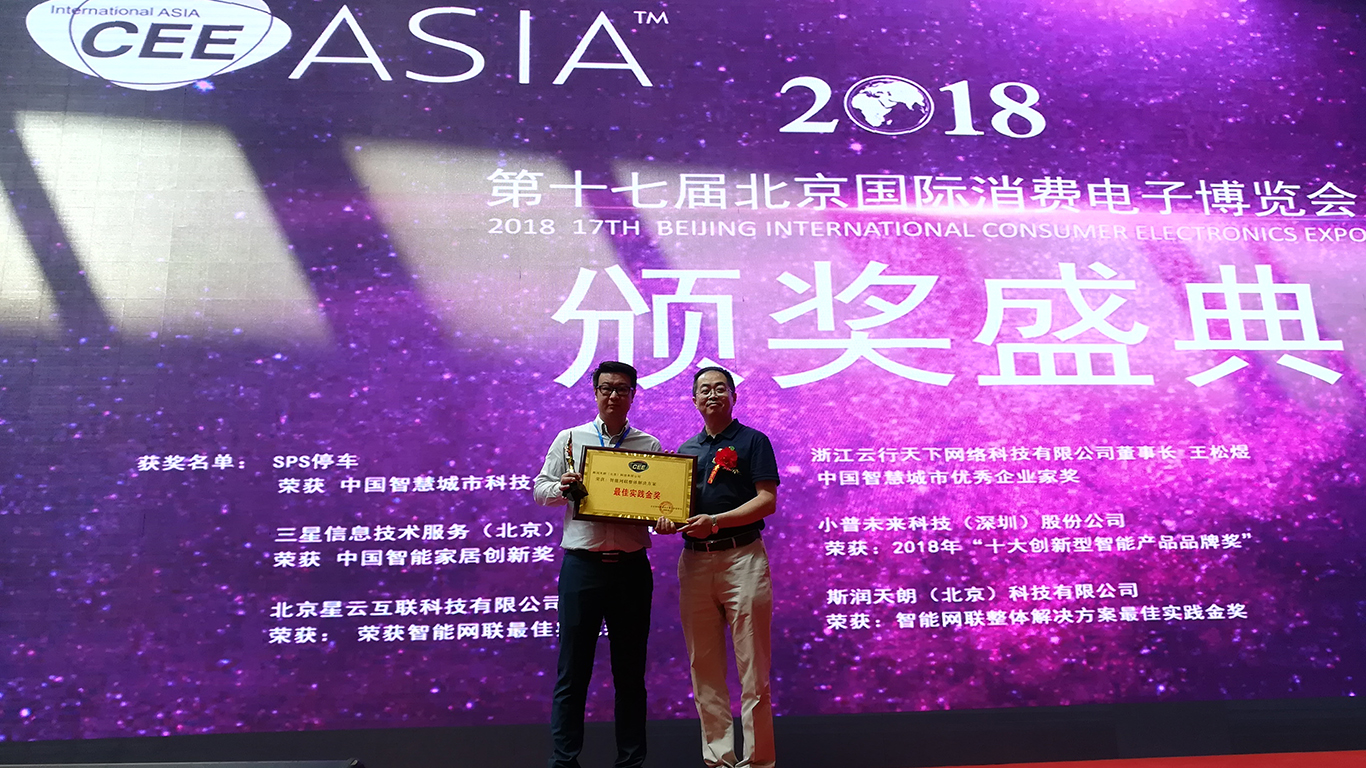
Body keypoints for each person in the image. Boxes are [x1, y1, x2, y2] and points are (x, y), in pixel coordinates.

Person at [534, 361, 662, 768]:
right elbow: (540, 490)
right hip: (582, 567)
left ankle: (631, 762)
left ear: (633, 395)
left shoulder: (649, 445)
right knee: (572, 672)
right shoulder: (570, 439)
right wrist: (562, 488)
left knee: (630, 674)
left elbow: (660, 503)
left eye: (622, 389)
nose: (613, 395)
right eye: (606, 388)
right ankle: (564, 761)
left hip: (630, 569)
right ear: (594, 392)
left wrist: (665, 517)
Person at [656, 366, 780, 768]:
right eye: (704, 390)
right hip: (694, 562)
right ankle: (719, 761)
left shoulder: (753, 441)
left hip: (743, 558)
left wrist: (717, 521)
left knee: (753, 669)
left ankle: (758, 762)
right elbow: (677, 510)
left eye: (720, 388)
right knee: (704, 668)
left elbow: (766, 500)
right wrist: (664, 521)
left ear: (733, 396)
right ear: (694, 400)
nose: (712, 395)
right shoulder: (686, 450)